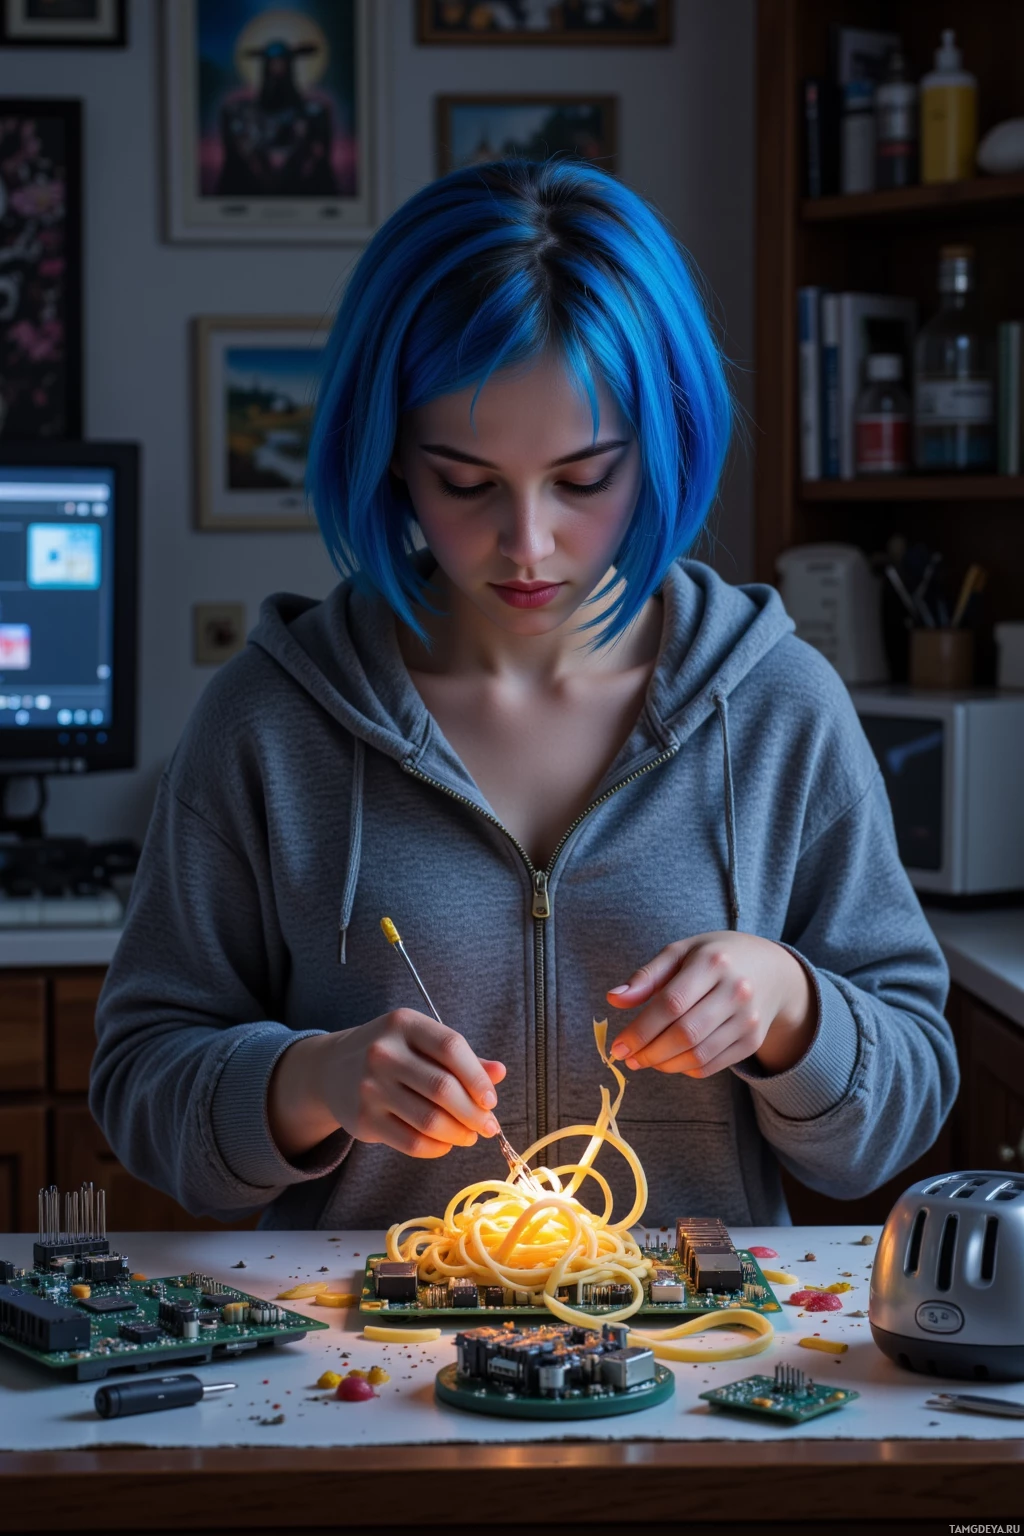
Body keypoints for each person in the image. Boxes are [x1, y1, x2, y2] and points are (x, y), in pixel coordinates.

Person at [91, 160, 956, 1230]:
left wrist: (790, 1007)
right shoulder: (267, 722)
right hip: (359, 1378)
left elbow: (907, 1102)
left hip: (696, 1377)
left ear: (663, 444)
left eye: (585, 478)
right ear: (390, 457)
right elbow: (138, 1086)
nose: (530, 544)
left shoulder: (779, 705)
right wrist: (306, 1082)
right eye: (465, 481)